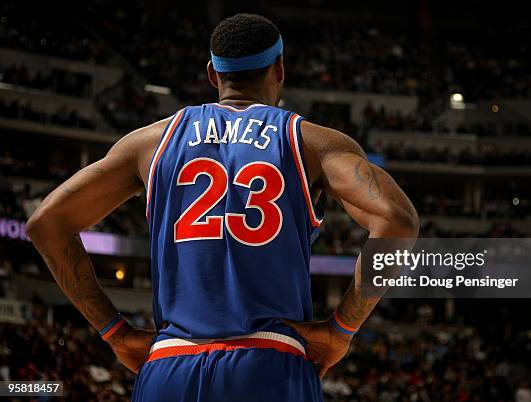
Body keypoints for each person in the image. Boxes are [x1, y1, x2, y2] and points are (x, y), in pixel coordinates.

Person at [26, 13, 418, 402]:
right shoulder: (312, 142)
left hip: (169, 365)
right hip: (269, 363)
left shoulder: (148, 144)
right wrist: (342, 329)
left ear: (213, 74)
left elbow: (46, 223)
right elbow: (396, 219)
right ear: (280, 68)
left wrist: (115, 332)